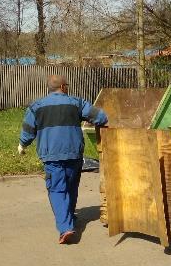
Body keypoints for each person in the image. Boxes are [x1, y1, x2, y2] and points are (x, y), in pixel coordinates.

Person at [17, 74, 108, 244]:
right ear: (64, 87)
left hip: (52, 156)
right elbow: (101, 117)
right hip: (74, 154)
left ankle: (65, 228)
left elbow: (28, 130)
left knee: (57, 190)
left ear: (49, 88)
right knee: (71, 186)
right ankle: (69, 218)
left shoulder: (36, 106)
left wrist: (22, 145)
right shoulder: (76, 103)